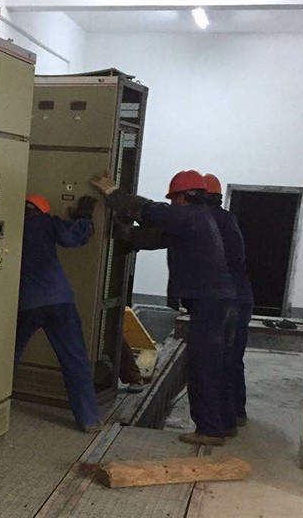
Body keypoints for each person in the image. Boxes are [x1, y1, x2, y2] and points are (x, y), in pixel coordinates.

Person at [90, 170, 237, 446]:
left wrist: (114, 193)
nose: (171, 203)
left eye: (173, 199)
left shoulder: (190, 216)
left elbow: (150, 211)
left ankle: (210, 429)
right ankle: (224, 424)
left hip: (210, 304)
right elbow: (156, 237)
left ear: (184, 197)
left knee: (202, 367)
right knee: (215, 365)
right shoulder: (199, 220)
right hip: (220, 302)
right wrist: (126, 235)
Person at [15, 193, 102, 432]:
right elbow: (73, 238)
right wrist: (84, 219)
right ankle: (89, 419)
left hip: (26, 303)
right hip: (59, 300)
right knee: (75, 360)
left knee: (6, 357)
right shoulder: (48, 222)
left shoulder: (12, 223)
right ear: (42, 210)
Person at [204, 173, 255, 427]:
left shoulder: (207, 220)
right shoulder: (227, 219)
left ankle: (223, 419)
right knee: (233, 357)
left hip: (226, 300)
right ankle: (236, 412)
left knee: (219, 359)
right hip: (240, 296)